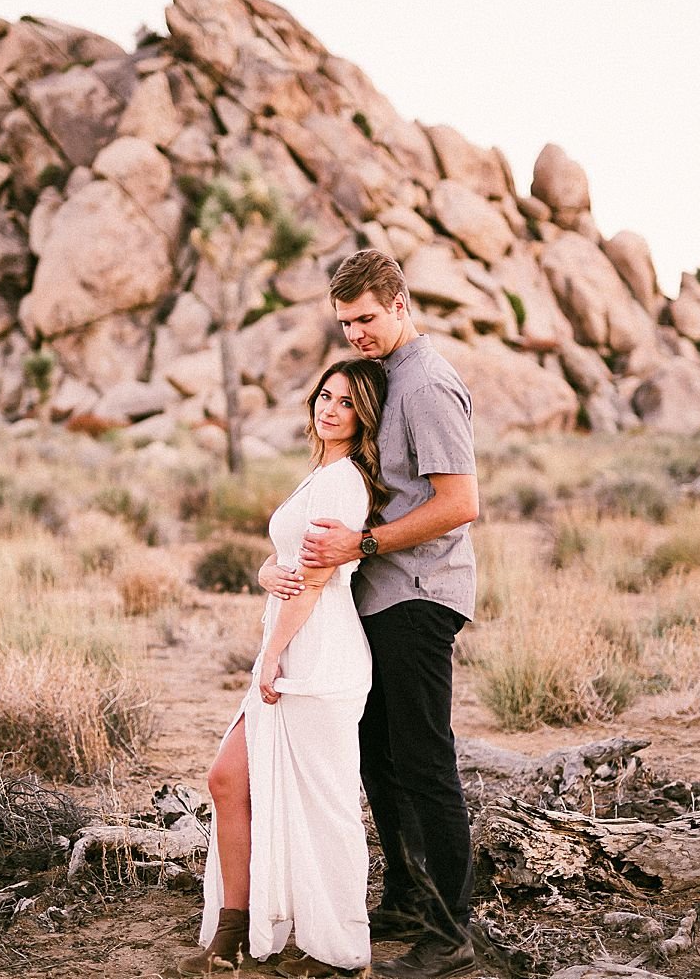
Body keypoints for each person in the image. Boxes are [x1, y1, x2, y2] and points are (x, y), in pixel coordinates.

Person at [297, 249, 480, 979]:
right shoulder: (388, 378)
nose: (357, 335)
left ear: (400, 305)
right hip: (380, 596)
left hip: (420, 593)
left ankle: (451, 934)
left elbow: (460, 502)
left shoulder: (428, 383)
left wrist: (361, 541)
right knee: (381, 758)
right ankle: (406, 898)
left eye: (368, 318)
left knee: (426, 761)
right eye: (345, 324)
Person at [179, 357, 391, 979]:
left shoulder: (347, 481)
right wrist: (265, 573)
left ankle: (340, 949)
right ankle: (234, 931)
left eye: (347, 402)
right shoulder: (320, 474)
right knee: (228, 779)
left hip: (318, 657)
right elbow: (291, 563)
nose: (330, 409)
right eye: (326, 396)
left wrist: (271, 654)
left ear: (366, 416)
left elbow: (321, 575)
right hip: (289, 649)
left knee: (323, 802)